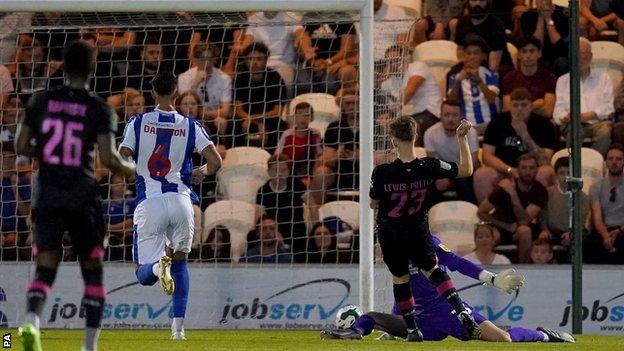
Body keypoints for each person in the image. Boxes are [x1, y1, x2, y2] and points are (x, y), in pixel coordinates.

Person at [15, 40, 136, 351]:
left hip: (48, 193)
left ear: (62, 66)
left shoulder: (40, 100)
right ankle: (89, 346)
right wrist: (131, 170)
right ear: (92, 67)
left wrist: (47, 154)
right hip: (82, 196)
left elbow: (20, 146)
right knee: (92, 269)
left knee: (46, 264)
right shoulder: (99, 108)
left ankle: (30, 321)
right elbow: (109, 159)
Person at [118, 71, 222, 339]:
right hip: (182, 202)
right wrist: (202, 172)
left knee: (144, 273)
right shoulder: (191, 125)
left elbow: (123, 157)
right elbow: (216, 162)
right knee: (181, 263)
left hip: (150, 201)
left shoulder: (137, 122)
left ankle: (156, 267)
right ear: (176, 92)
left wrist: (132, 168)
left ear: (153, 93)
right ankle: (178, 330)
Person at [320, 236, 574, 344]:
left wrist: (492, 279)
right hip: (418, 321)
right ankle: (354, 333)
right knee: (372, 317)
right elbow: (402, 286)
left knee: (503, 339)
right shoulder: (391, 248)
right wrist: (399, 325)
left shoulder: (428, 243)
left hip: (447, 310)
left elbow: (458, 263)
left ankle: (543, 336)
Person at [369, 116, 480, 341]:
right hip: (418, 231)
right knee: (434, 271)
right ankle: (461, 311)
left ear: (393, 141)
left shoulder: (381, 172)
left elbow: (374, 203)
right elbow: (466, 170)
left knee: (400, 279)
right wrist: (461, 138)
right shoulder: (429, 165)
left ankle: (412, 330)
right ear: (415, 137)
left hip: (392, 234)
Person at [474, 87, 556, 202]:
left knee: (546, 172)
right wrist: (509, 170)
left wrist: (524, 135)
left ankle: (539, 216)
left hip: (532, 172)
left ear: (531, 106)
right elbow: (487, 156)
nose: (519, 109)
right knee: (482, 174)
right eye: (515, 105)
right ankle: (488, 217)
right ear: (509, 106)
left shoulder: (544, 124)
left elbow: (545, 161)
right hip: (504, 170)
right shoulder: (498, 122)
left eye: (524, 105)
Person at [477, 153, 548, 263]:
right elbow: (481, 212)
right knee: (487, 235)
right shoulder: (504, 187)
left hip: (519, 229)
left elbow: (524, 221)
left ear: (537, 170)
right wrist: (505, 226)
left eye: (531, 168)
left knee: (525, 231)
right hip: (500, 225)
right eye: (524, 168)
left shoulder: (540, 191)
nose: (527, 172)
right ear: (518, 169)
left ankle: (525, 271)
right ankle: (479, 269)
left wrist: (513, 195)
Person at [553, 37, 614, 156]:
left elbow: (608, 107)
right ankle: (574, 166)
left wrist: (587, 115)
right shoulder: (563, 80)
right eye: (575, 54)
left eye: (582, 53)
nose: (579, 58)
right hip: (573, 123)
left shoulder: (604, 78)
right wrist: (565, 117)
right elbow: (558, 110)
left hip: (598, 122)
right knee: (575, 130)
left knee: (605, 133)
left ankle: (592, 163)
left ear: (590, 56)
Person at [424, 99, 480, 204]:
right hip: (443, 171)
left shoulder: (470, 133)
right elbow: (432, 164)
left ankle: (468, 216)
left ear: (461, 116)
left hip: (465, 173)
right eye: (446, 115)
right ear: (440, 116)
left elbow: (471, 164)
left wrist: (451, 179)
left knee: (464, 181)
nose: (450, 119)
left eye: (455, 115)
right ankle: (430, 217)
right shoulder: (430, 133)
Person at [447, 35, 499, 135]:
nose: (472, 57)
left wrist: (479, 81)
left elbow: (492, 98)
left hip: (488, 124)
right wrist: (457, 82)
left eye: (476, 53)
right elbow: (450, 102)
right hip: (464, 125)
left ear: (483, 56)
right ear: (463, 56)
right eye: (468, 53)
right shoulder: (454, 77)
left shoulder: (491, 75)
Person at [585, 144, 624, 264]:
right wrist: (605, 236)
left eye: (618, 159)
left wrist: (620, 231)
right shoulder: (596, 187)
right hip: (604, 229)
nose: (614, 162)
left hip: (622, 228)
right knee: (591, 242)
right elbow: (597, 217)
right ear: (606, 162)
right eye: (611, 159)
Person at [502, 36, 557, 118]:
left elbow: (548, 111)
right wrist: (535, 105)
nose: (528, 55)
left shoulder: (549, 78)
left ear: (539, 53)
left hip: (540, 121)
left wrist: (520, 108)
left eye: (532, 51)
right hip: (515, 121)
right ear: (519, 55)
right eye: (524, 51)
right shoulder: (509, 78)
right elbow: (507, 109)